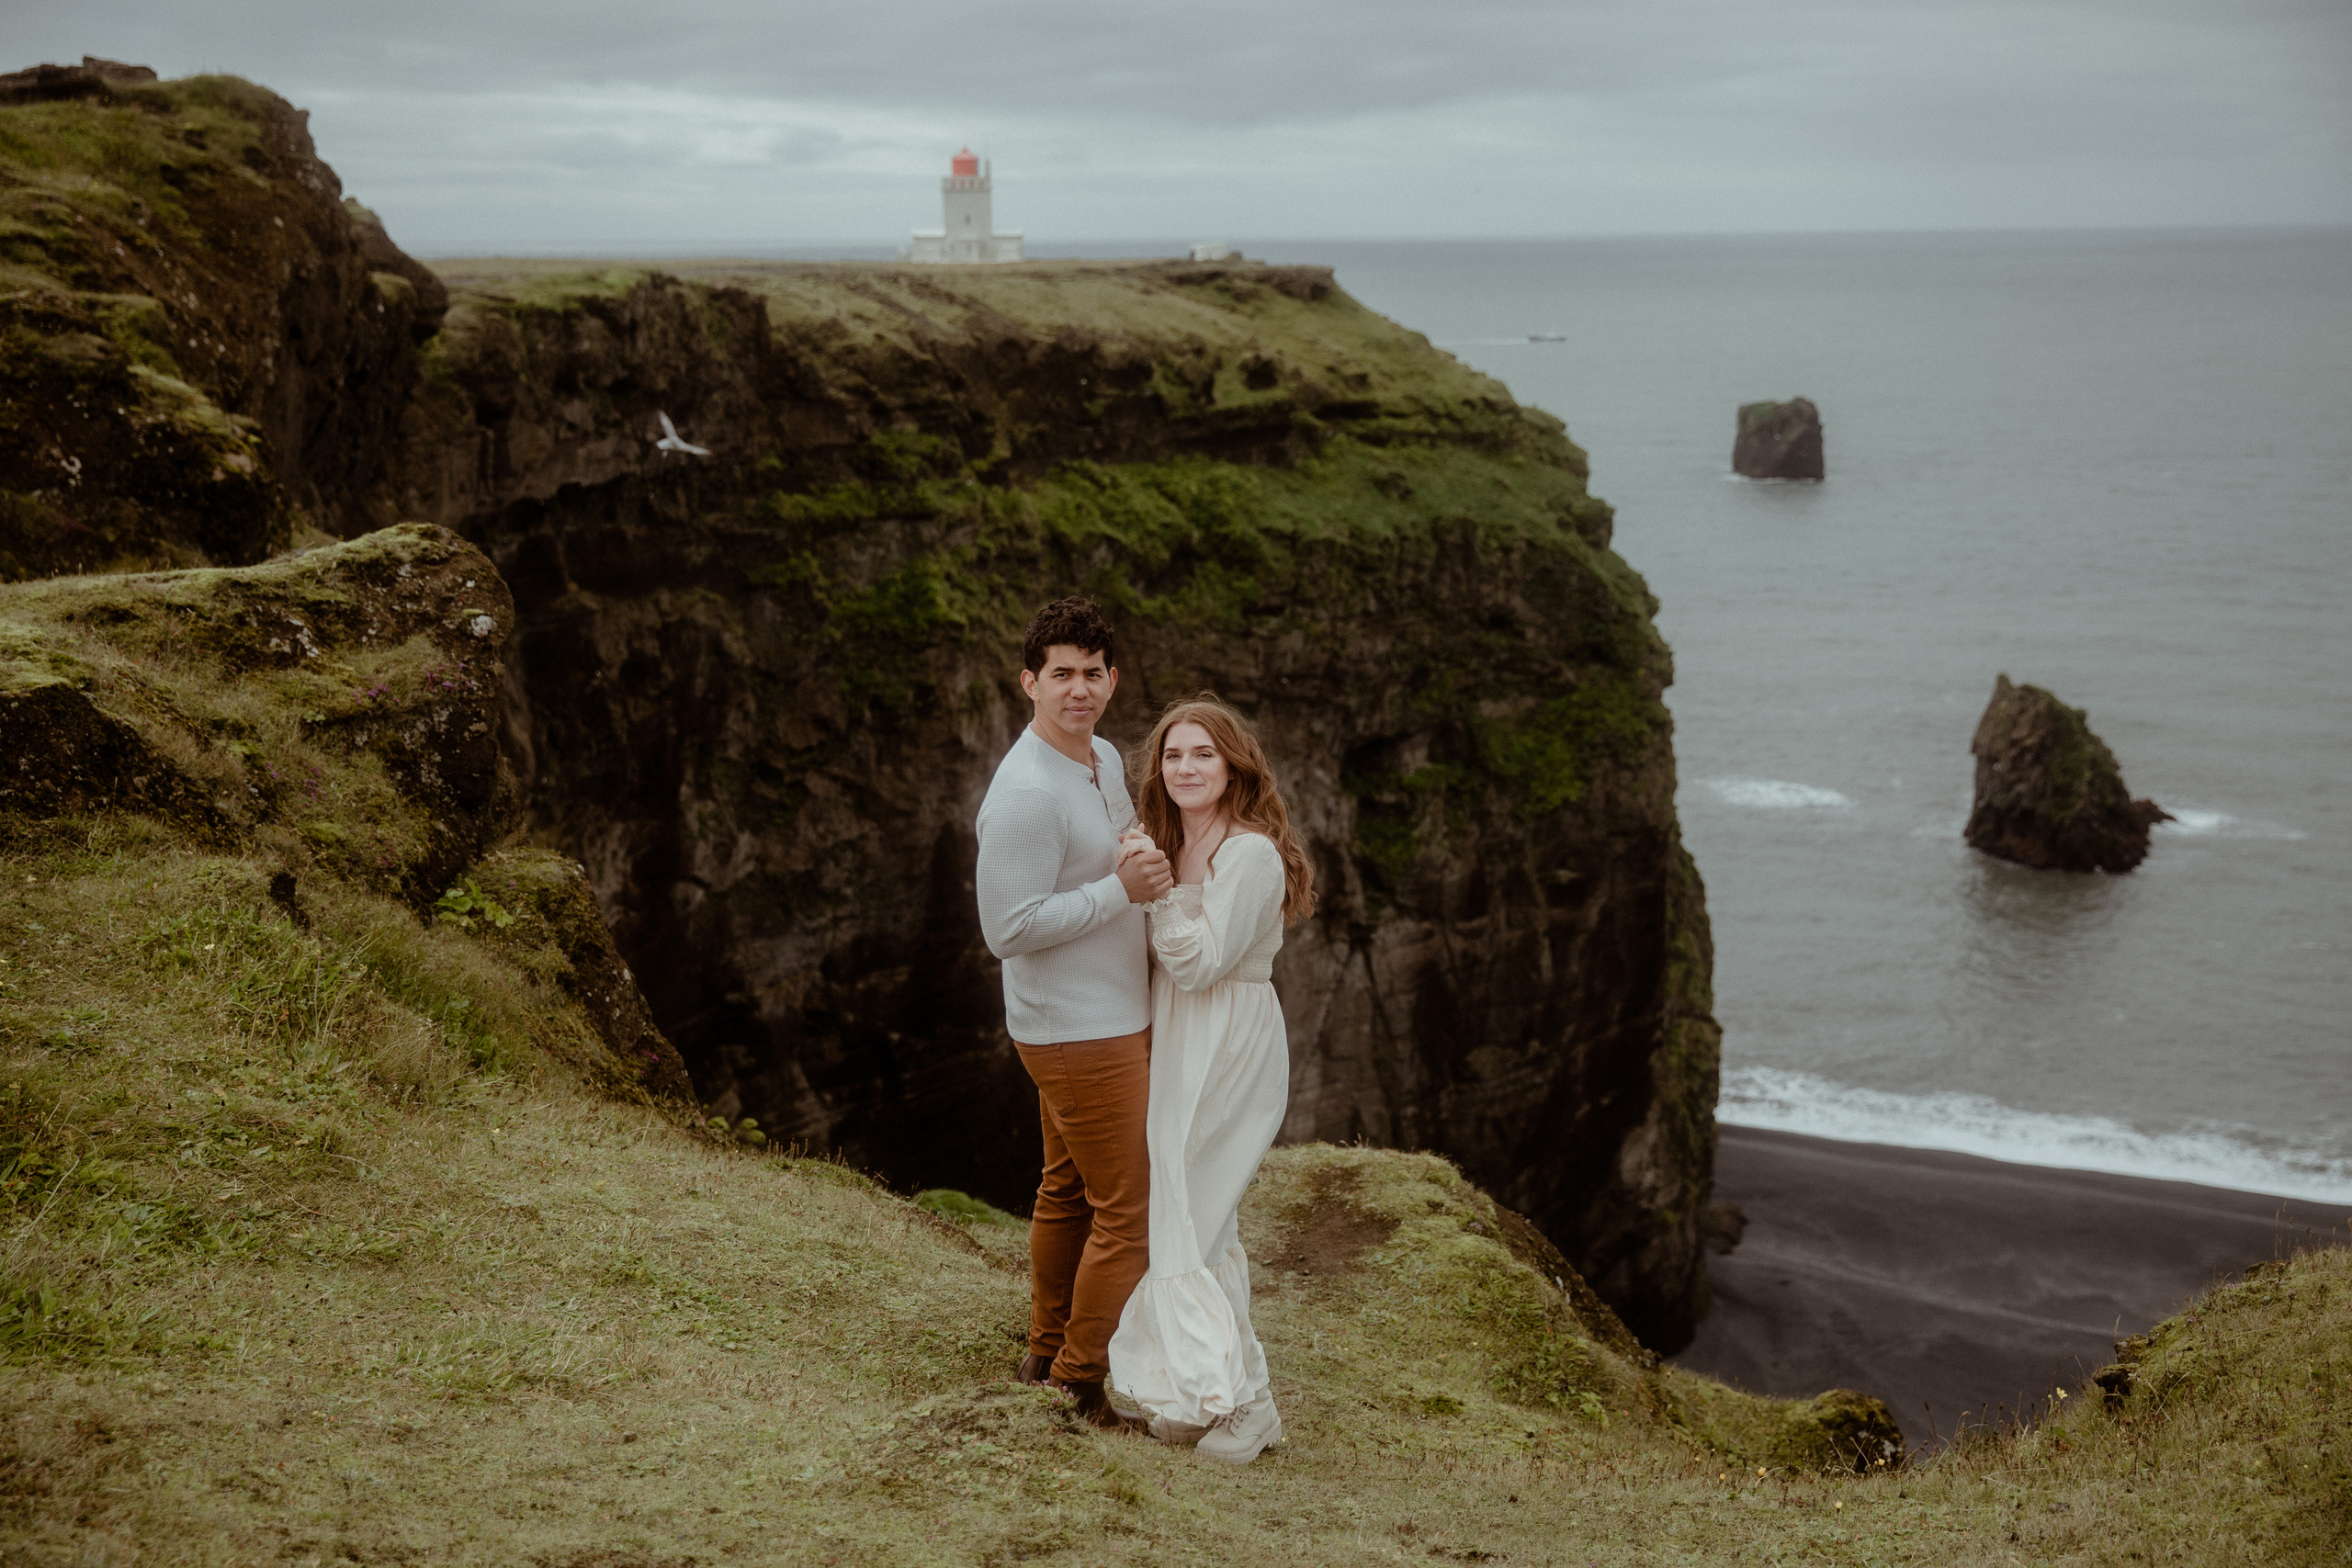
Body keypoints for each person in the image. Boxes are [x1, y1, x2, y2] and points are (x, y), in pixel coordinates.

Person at [974, 598, 1173, 1432]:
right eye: (1062, 673)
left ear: (1112, 679)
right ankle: (1077, 1384)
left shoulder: (1098, 759)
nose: (1080, 688)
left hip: (1101, 1017)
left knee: (1067, 1192)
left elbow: (1119, 831)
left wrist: (1135, 852)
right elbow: (1006, 929)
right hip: (1076, 1030)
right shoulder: (1024, 793)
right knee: (1132, 1213)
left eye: (1094, 672)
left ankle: (1044, 1350)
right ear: (1030, 683)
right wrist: (1116, 892)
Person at [1107, 694, 1316, 1465]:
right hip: (1178, 1035)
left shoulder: (1250, 853)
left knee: (1196, 1216)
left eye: (1204, 754)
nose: (1187, 767)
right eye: (1173, 755)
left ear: (1234, 766)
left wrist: (1157, 891)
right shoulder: (1168, 841)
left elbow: (1199, 963)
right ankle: (1219, 1396)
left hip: (1228, 1038)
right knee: (1192, 1219)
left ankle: (1245, 1406)